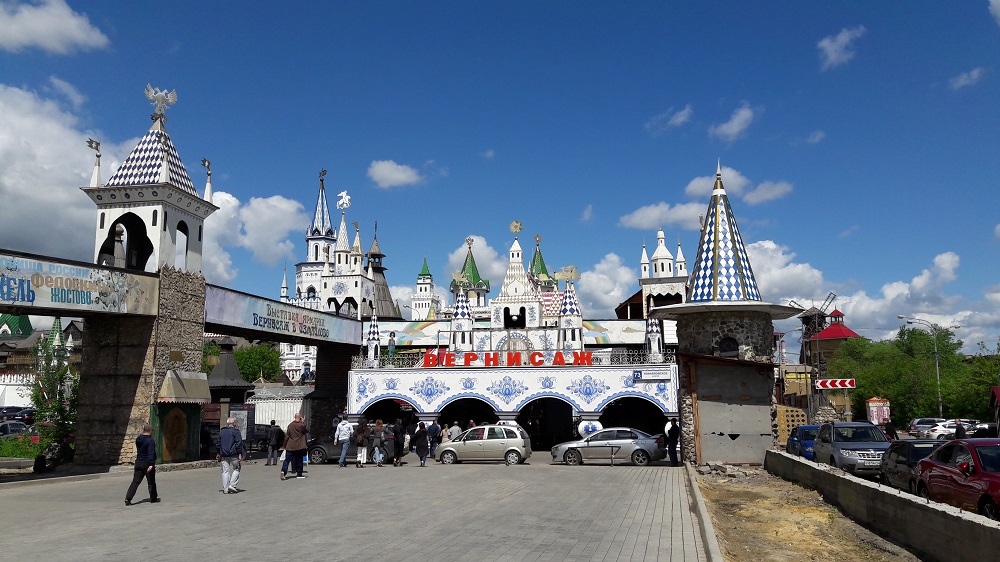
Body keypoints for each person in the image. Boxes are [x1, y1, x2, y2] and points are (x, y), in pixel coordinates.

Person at [125, 424, 159, 506]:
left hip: (138, 463)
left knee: (135, 482)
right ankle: (153, 498)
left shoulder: (138, 439)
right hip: (147, 463)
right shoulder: (150, 441)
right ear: (150, 431)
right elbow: (151, 453)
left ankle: (128, 498)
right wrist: (151, 464)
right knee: (151, 482)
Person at [216, 417, 245, 493]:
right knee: (237, 468)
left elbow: (218, 443)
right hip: (233, 454)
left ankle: (225, 489)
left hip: (224, 454)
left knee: (225, 471)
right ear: (234, 423)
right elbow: (238, 443)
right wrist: (240, 453)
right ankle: (232, 485)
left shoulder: (222, 431)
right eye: (236, 422)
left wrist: (218, 453)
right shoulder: (236, 432)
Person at [281, 412, 308, 480]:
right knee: (299, 460)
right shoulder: (301, 425)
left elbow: (287, 436)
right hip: (299, 446)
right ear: (300, 418)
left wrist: (284, 444)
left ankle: (283, 471)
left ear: (294, 417)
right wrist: (303, 422)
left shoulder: (290, 425)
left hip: (290, 445)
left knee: (287, 460)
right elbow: (305, 431)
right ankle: (299, 473)